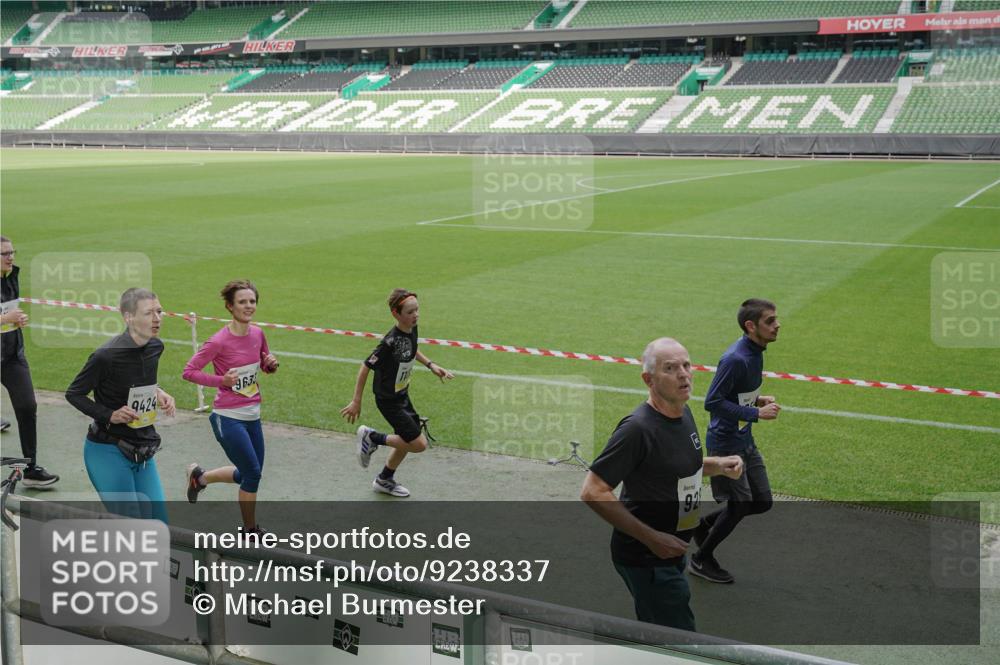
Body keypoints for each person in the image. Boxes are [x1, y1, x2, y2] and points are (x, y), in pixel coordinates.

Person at [581, 337, 743, 631]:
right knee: (678, 639)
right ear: (648, 379)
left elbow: (674, 468)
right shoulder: (637, 429)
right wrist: (653, 538)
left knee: (659, 631)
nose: (683, 374)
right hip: (647, 557)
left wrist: (716, 465)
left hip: (671, 550)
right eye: (670, 368)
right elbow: (593, 491)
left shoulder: (683, 411)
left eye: (686, 364)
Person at [689, 298, 780, 584]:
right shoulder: (735, 359)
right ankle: (701, 559)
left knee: (762, 501)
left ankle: (704, 524)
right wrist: (756, 412)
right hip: (726, 444)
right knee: (740, 504)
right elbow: (712, 402)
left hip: (744, 439)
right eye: (770, 321)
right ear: (751, 326)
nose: (777, 325)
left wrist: (756, 400)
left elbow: (734, 394)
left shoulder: (756, 351)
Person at [66, 288, 176, 522]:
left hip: (143, 451)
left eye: (159, 311)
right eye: (148, 313)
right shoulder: (105, 356)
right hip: (107, 451)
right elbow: (74, 394)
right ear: (128, 317)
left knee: (160, 524)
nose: (157, 319)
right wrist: (110, 415)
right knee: (131, 526)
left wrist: (158, 392)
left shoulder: (156, 347)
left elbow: (137, 382)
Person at [182, 279, 278, 535]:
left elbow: (264, 366)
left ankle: (199, 478)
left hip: (253, 414)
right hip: (228, 417)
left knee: (249, 473)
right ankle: (249, 530)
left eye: (252, 301)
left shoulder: (258, 334)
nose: (249, 306)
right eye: (242, 302)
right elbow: (189, 372)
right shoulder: (218, 342)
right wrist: (220, 381)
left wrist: (270, 364)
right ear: (229, 306)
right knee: (253, 474)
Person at [340, 289, 453, 498]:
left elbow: (412, 348)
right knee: (418, 444)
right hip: (388, 399)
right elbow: (365, 366)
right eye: (410, 312)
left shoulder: (412, 328)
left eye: (417, 310)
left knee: (405, 440)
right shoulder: (389, 342)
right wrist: (357, 400)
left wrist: (431, 365)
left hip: (402, 395)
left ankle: (384, 479)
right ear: (396, 314)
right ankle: (371, 437)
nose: (416, 315)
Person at [1, 236, 59, 487]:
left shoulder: (11, 277)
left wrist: (16, 321)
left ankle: (30, 468)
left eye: (12, 251)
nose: (10, 256)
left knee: (27, 406)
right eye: (4, 253)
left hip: (12, 356)